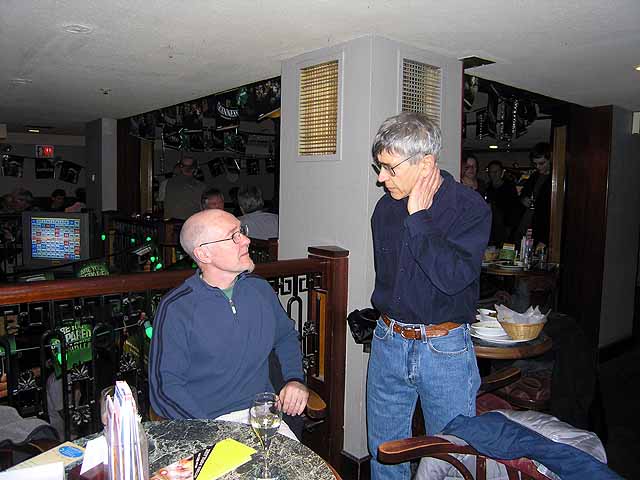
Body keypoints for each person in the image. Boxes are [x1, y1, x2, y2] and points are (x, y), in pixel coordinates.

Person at [368, 112, 491, 479]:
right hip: (388, 341)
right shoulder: (384, 208)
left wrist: (419, 216)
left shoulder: (469, 207)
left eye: (389, 168)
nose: (381, 178)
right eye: (379, 167)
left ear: (425, 163)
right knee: (384, 454)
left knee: (451, 459)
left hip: (444, 349)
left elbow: (453, 279)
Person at [148, 209, 308, 438]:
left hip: (263, 415)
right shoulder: (176, 308)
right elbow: (166, 388)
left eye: (242, 231)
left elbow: (285, 336)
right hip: (208, 423)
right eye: (234, 236)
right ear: (204, 254)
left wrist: (294, 379)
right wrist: (211, 431)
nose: (246, 240)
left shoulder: (259, 289)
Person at [517, 142, 552, 247]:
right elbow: (523, 193)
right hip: (527, 224)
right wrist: (523, 199)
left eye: (541, 163)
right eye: (535, 164)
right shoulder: (534, 176)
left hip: (543, 230)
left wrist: (544, 238)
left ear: (551, 159)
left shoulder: (555, 179)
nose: (538, 167)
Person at [485, 160, 521, 246]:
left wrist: (510, 228)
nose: (494, 174)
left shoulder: (509, 188)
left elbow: (515, 209)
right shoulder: (487, 188)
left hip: (506, 228)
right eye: (492, 172)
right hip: (491, 228)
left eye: (496, 171)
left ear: (501, 172)